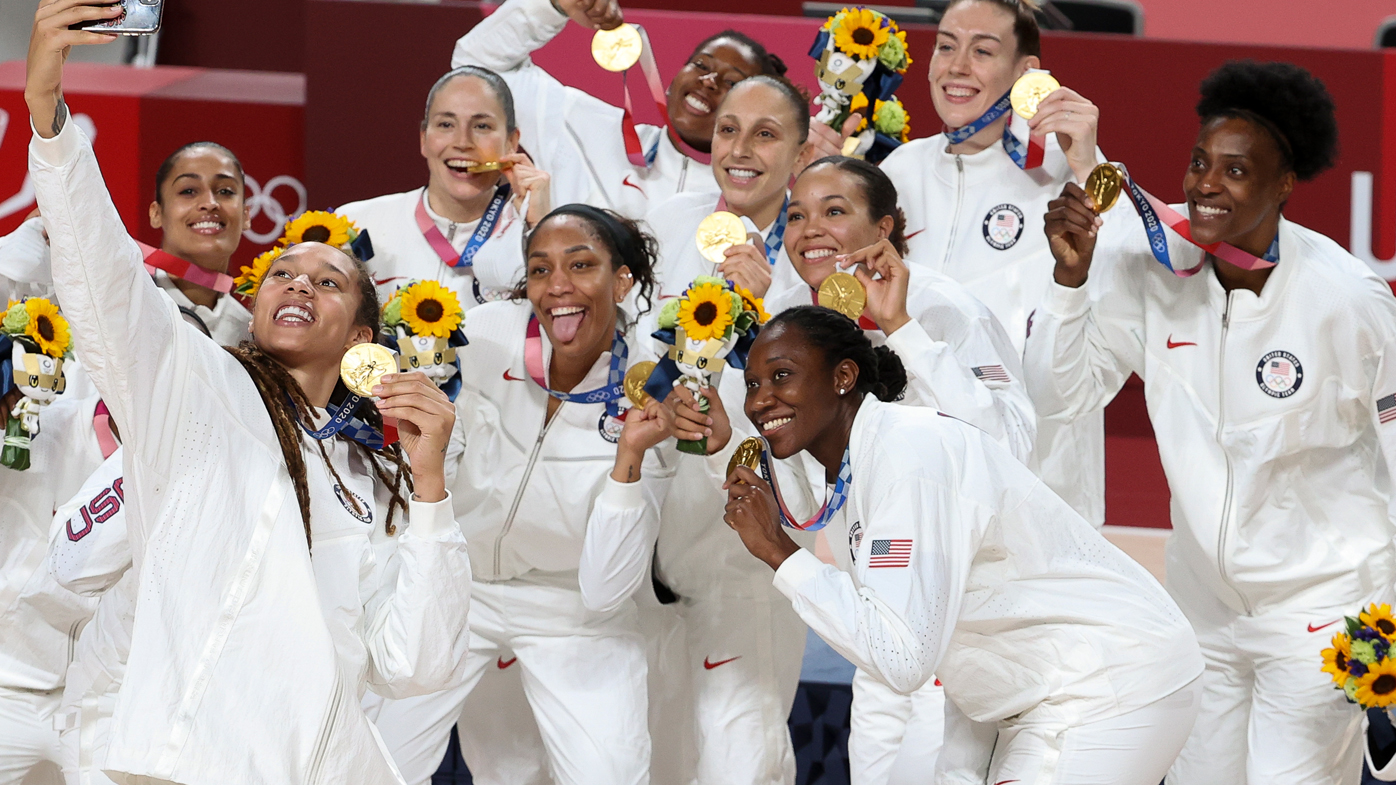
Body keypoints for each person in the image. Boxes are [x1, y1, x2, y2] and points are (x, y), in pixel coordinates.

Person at [26, 4, 473, 781]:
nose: (297, 283)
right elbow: (104, 282)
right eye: (282, 275)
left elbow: (416, 665)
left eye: (327, 280)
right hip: (184, 760)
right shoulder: (197, 385)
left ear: (363, 339)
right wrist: (49, 116)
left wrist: (431, 487)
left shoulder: (373, 473)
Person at [1023, 60, 1391, 785]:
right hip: (1203, 614)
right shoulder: (1153, 274)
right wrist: (1069, 283)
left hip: (1320, 614)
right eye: (1198, 163)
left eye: (1235, 169)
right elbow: (1059, 397)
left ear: (1285, 183)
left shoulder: (1347, 298)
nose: (1205, 184)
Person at [724, 306, 1204, 785]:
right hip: (1019, 693)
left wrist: (779, 553)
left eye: (781, 376)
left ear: (843, 377)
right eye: (751, 384)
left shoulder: (908, 454)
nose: (760, 401)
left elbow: (900, 657)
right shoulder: (861, 462)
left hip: (1102, 683)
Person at [366, 205, 679, 785]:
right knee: (372, 764)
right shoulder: (482, 334)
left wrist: (630, 457)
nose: (557, 286)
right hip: (458, 588)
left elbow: (609, 589)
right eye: (540, 270)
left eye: (580, 265)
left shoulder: (651, 387)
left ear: (623, 279)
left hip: (576, 612)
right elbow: (432, 469)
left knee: (612, 776)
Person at [766, 155, 1035, 783]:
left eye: (835, 211)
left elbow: (1009, 446)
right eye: (798, 215)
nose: (811, 230)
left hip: (962, 625)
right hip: (875, 616)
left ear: (883, 227)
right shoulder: (792, 323)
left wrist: (901, 327)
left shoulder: (944, 308)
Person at [878, 0, 1106, 531]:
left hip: (1039, 485)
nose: (957, 67)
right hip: (920, 483)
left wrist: (1088, 164)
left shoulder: (1066, 172)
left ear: (1027, 73)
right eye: (946, 46)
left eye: (983, 51)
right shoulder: (898, 171)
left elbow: (1131, 281)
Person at [449, 0, 788, 219]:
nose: (709, 81)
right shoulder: (587, 129)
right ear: (672, 81)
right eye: (701, 64)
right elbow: (475, 67)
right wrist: (554, 8)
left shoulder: (755, 198)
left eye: (732, 83)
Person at [338, 66, 548, 309]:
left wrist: (539, 229)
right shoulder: (355, 224)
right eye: (446, 124)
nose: (462, 142)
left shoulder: (534, 230)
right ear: (424, 139)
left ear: (511, 143)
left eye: (482, 126)